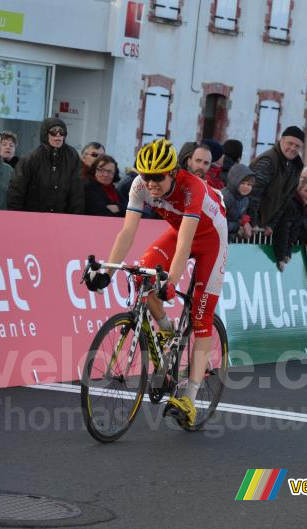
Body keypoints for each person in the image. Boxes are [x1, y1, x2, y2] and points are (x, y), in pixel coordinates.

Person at [85, 139, 227, 428]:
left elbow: (185, 246)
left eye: (157, 177)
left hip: (211, 240)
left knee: (201, 318)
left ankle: (188, 397)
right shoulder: (139, 185)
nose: (150, 183)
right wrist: (107, 274)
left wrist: (171, 282)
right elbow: (127, 232)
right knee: (141, 274)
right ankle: (166, 330)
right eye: (146, 176)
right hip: (180, 235)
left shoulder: (192, 188)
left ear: (173, 172)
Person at [6, 118, 84, 213]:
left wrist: (76, 217)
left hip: (62, 217)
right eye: (53, 131)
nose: (58, 135)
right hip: (34, 216)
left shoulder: (72, 155)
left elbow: (77, 190)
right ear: (45, 134)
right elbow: (16, 190)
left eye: (61, 131)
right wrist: (16, 217)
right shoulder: (32, 158)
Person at [247, 126, 305, 235]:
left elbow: (285, 200)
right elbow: (253, 194)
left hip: (262, 228)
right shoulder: (268, 161)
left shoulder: (295, 167)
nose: (293, 148)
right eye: (290, 143)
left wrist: (271, 224)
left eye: (297, 146)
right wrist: (252, 222)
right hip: (249, 227)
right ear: (281, 140)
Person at [222, 163, 255, 242]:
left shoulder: (245, 200)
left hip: (228, 239)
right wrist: (237, 227)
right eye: (242, 183)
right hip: (215, 238)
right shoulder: (225, 197)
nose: (246, 187)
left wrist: (241, 226)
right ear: (234, 181)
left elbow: (239, 219)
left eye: (249, 184)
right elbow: (218, 222)